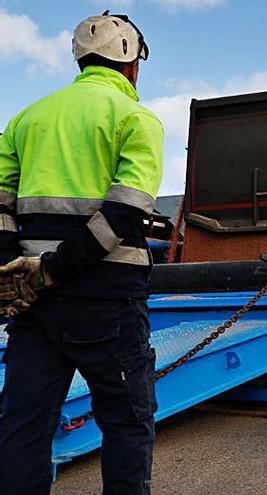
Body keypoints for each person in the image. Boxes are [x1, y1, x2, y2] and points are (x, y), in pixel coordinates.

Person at [0, 12, 162, 495]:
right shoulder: (135, 118)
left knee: (23, 425)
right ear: (132, 64)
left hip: (34, 306)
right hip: (107, 301)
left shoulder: (26, 120)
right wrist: (54, 271)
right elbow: (125, 212)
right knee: (127, 423)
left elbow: (1, 203)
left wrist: (15, 269)